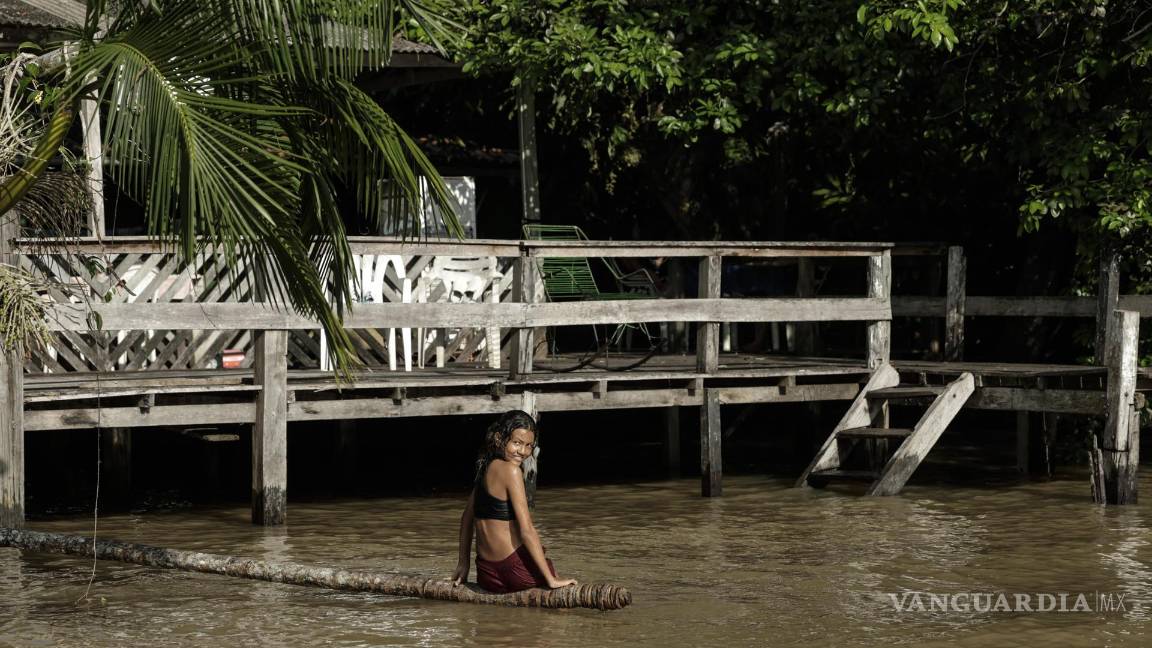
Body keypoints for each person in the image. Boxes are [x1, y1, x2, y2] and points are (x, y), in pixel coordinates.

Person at [451, 410, 577, 593]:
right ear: (498, 438)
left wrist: (463, 564)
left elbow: (466, 519)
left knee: (537, 553)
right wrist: (551, 579)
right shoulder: (512, 471)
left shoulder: (485, 467)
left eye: (528, 445)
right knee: (547, 566)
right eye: (517, 443)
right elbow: (527, 530)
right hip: (514, 573)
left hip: (487, 574)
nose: (523, 451)